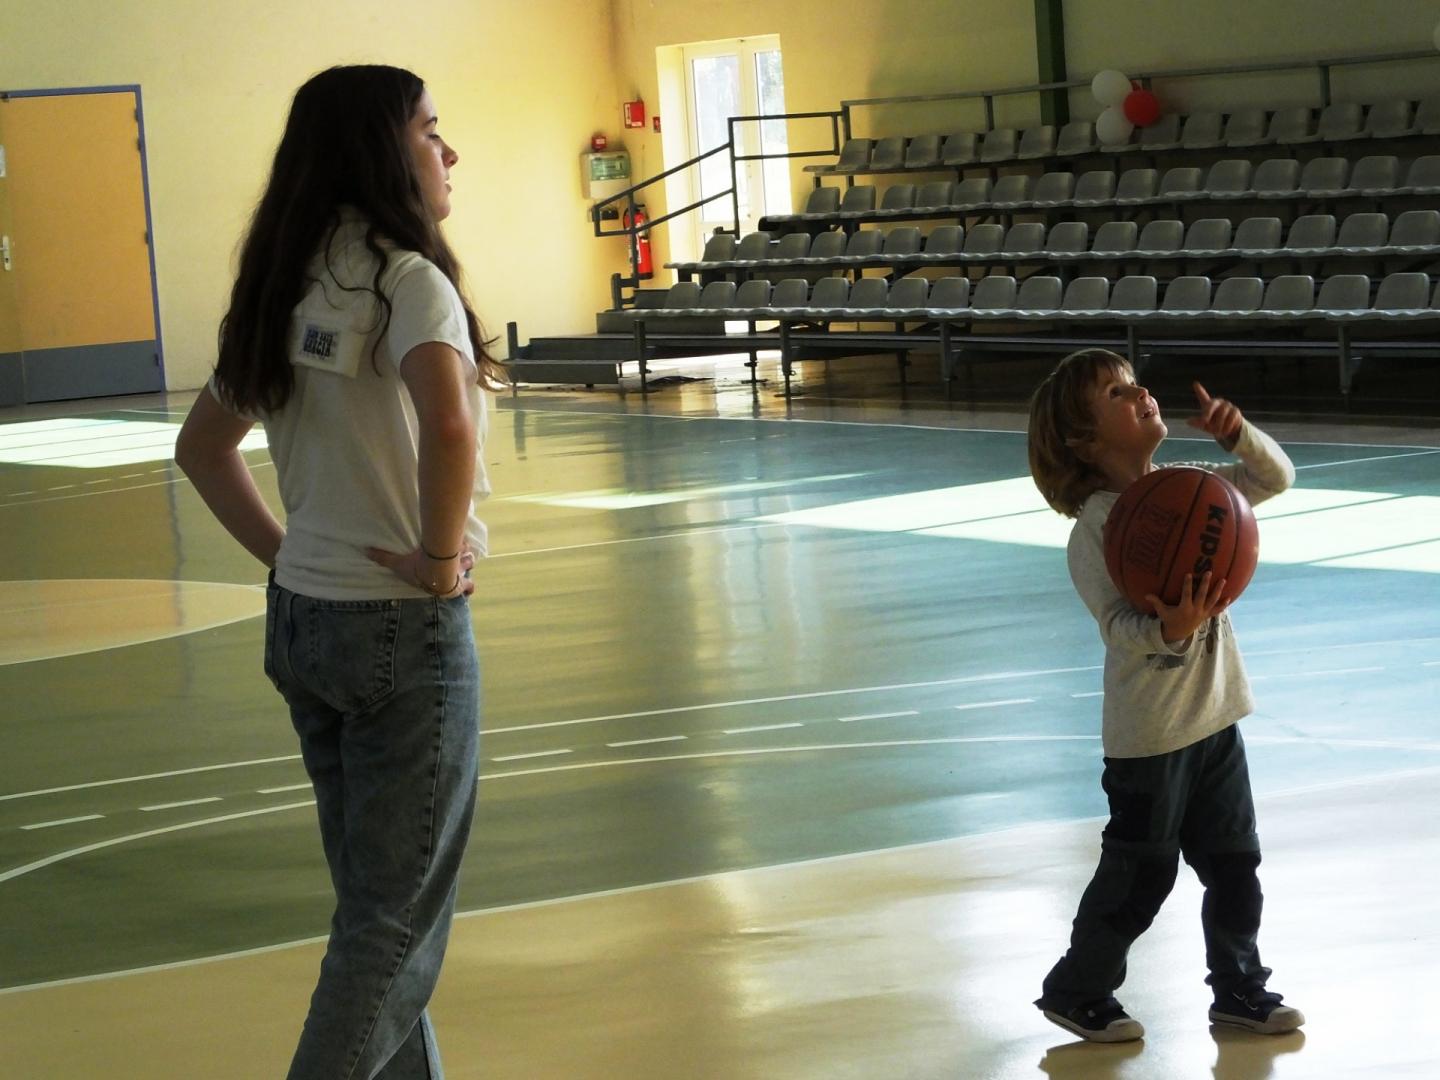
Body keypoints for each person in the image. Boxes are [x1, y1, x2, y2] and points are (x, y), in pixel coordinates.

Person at [176, 64, 504, 1078]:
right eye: (430, 131)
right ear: (379, 150)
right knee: (391, 932)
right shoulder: (409, 282)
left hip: (306, 622)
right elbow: (448, 425)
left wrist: (293, 560)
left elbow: (203, 448)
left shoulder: (285, 282)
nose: (448, 152)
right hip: (402, 628)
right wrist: (439, 562)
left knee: (374, 911)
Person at [1025, 348, 1302, 1044]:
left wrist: (1238, 436)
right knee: (1140, 877)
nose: (1140, 392)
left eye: (1134, 383)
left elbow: (1276, 478)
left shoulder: (1191, 488)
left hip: (1216, 719)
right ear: (1083, 441)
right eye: (1116, 393)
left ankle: (1240, 989)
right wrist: (1169, 629)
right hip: (1150, 738)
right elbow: (1118, 628)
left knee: (1236, 865)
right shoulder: (1096, 528)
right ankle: (1078, 988)